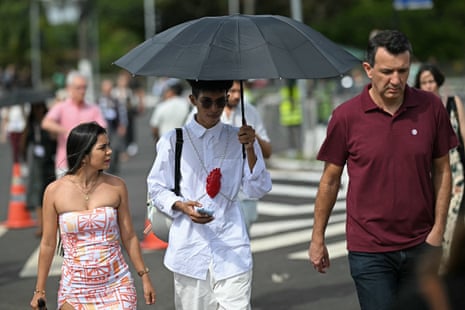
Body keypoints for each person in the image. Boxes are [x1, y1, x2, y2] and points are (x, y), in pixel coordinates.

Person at [308, 29, 458, 310]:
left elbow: (442, 170)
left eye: (403, 71)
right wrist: (318, 238)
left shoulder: (430, 107)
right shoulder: (346, 117)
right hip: (369, 250)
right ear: (368, 69)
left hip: (421, 245)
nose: (396, 80)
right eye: (387, 71)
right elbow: (329, 181)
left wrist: (438, 231)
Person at [147, 80, 272, 309]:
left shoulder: (240, 138)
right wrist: (180, 205)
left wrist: (251, 148)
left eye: (219, 101)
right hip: (189, 248)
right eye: (207, 102)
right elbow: (156, 187)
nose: (214, 109)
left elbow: (258, 188)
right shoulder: (174, 140)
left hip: (232, 245)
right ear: (193, 100)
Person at [30, 122, 156, 310]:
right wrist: (39, 291)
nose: (110, 152)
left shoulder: (117, 186)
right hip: (74, 289)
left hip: (117, 285)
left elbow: (129, 236)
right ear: (84, 154)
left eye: (109, 146)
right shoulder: (54, 191)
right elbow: (48, 243)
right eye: (102, 148)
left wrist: (144, 276)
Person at [414, 63, 465, 265]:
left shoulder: (453, 102)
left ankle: (447, 263)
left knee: (454, 213)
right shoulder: (418, 111)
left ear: (438, 82)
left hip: (455, 167)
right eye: (423, 82)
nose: (428, 86)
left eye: (431, 81)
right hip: (429, 170)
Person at [41, 71, 107, 176]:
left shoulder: (93, 108)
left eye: (84, 87)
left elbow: (102, 129)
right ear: (69, 88)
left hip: (89, 164)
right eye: (78, 88)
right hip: (65, 162)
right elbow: (46, 122)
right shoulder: (62, 106)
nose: (82, 91)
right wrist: (65, 131)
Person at [21, 102, 56, 237]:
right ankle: (41, 226)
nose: (39, 110)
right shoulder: (31, 125)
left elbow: (55, 139)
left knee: (52, 193)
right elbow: (24, 143)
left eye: (41, 107)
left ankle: (53, 226)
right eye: (36, 108)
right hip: (37, 163)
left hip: (51, 161)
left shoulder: (49, 122)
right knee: (39, 194)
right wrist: (23, 161)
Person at [98, 78, 127, 174]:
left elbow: (122, 113)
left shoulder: (116, 100)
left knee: (114, 149)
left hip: (114, 128)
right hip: (102, 129)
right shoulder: (98, 101)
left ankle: (113, 170)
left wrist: (122, 125)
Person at [149, 78, 189, 142]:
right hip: (183, 141)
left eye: (166, 91)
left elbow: (154, 127)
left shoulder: (162, 105)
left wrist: (157, 140)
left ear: (171, 91)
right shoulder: (187, 105)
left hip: (165, 140)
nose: (164, 93)